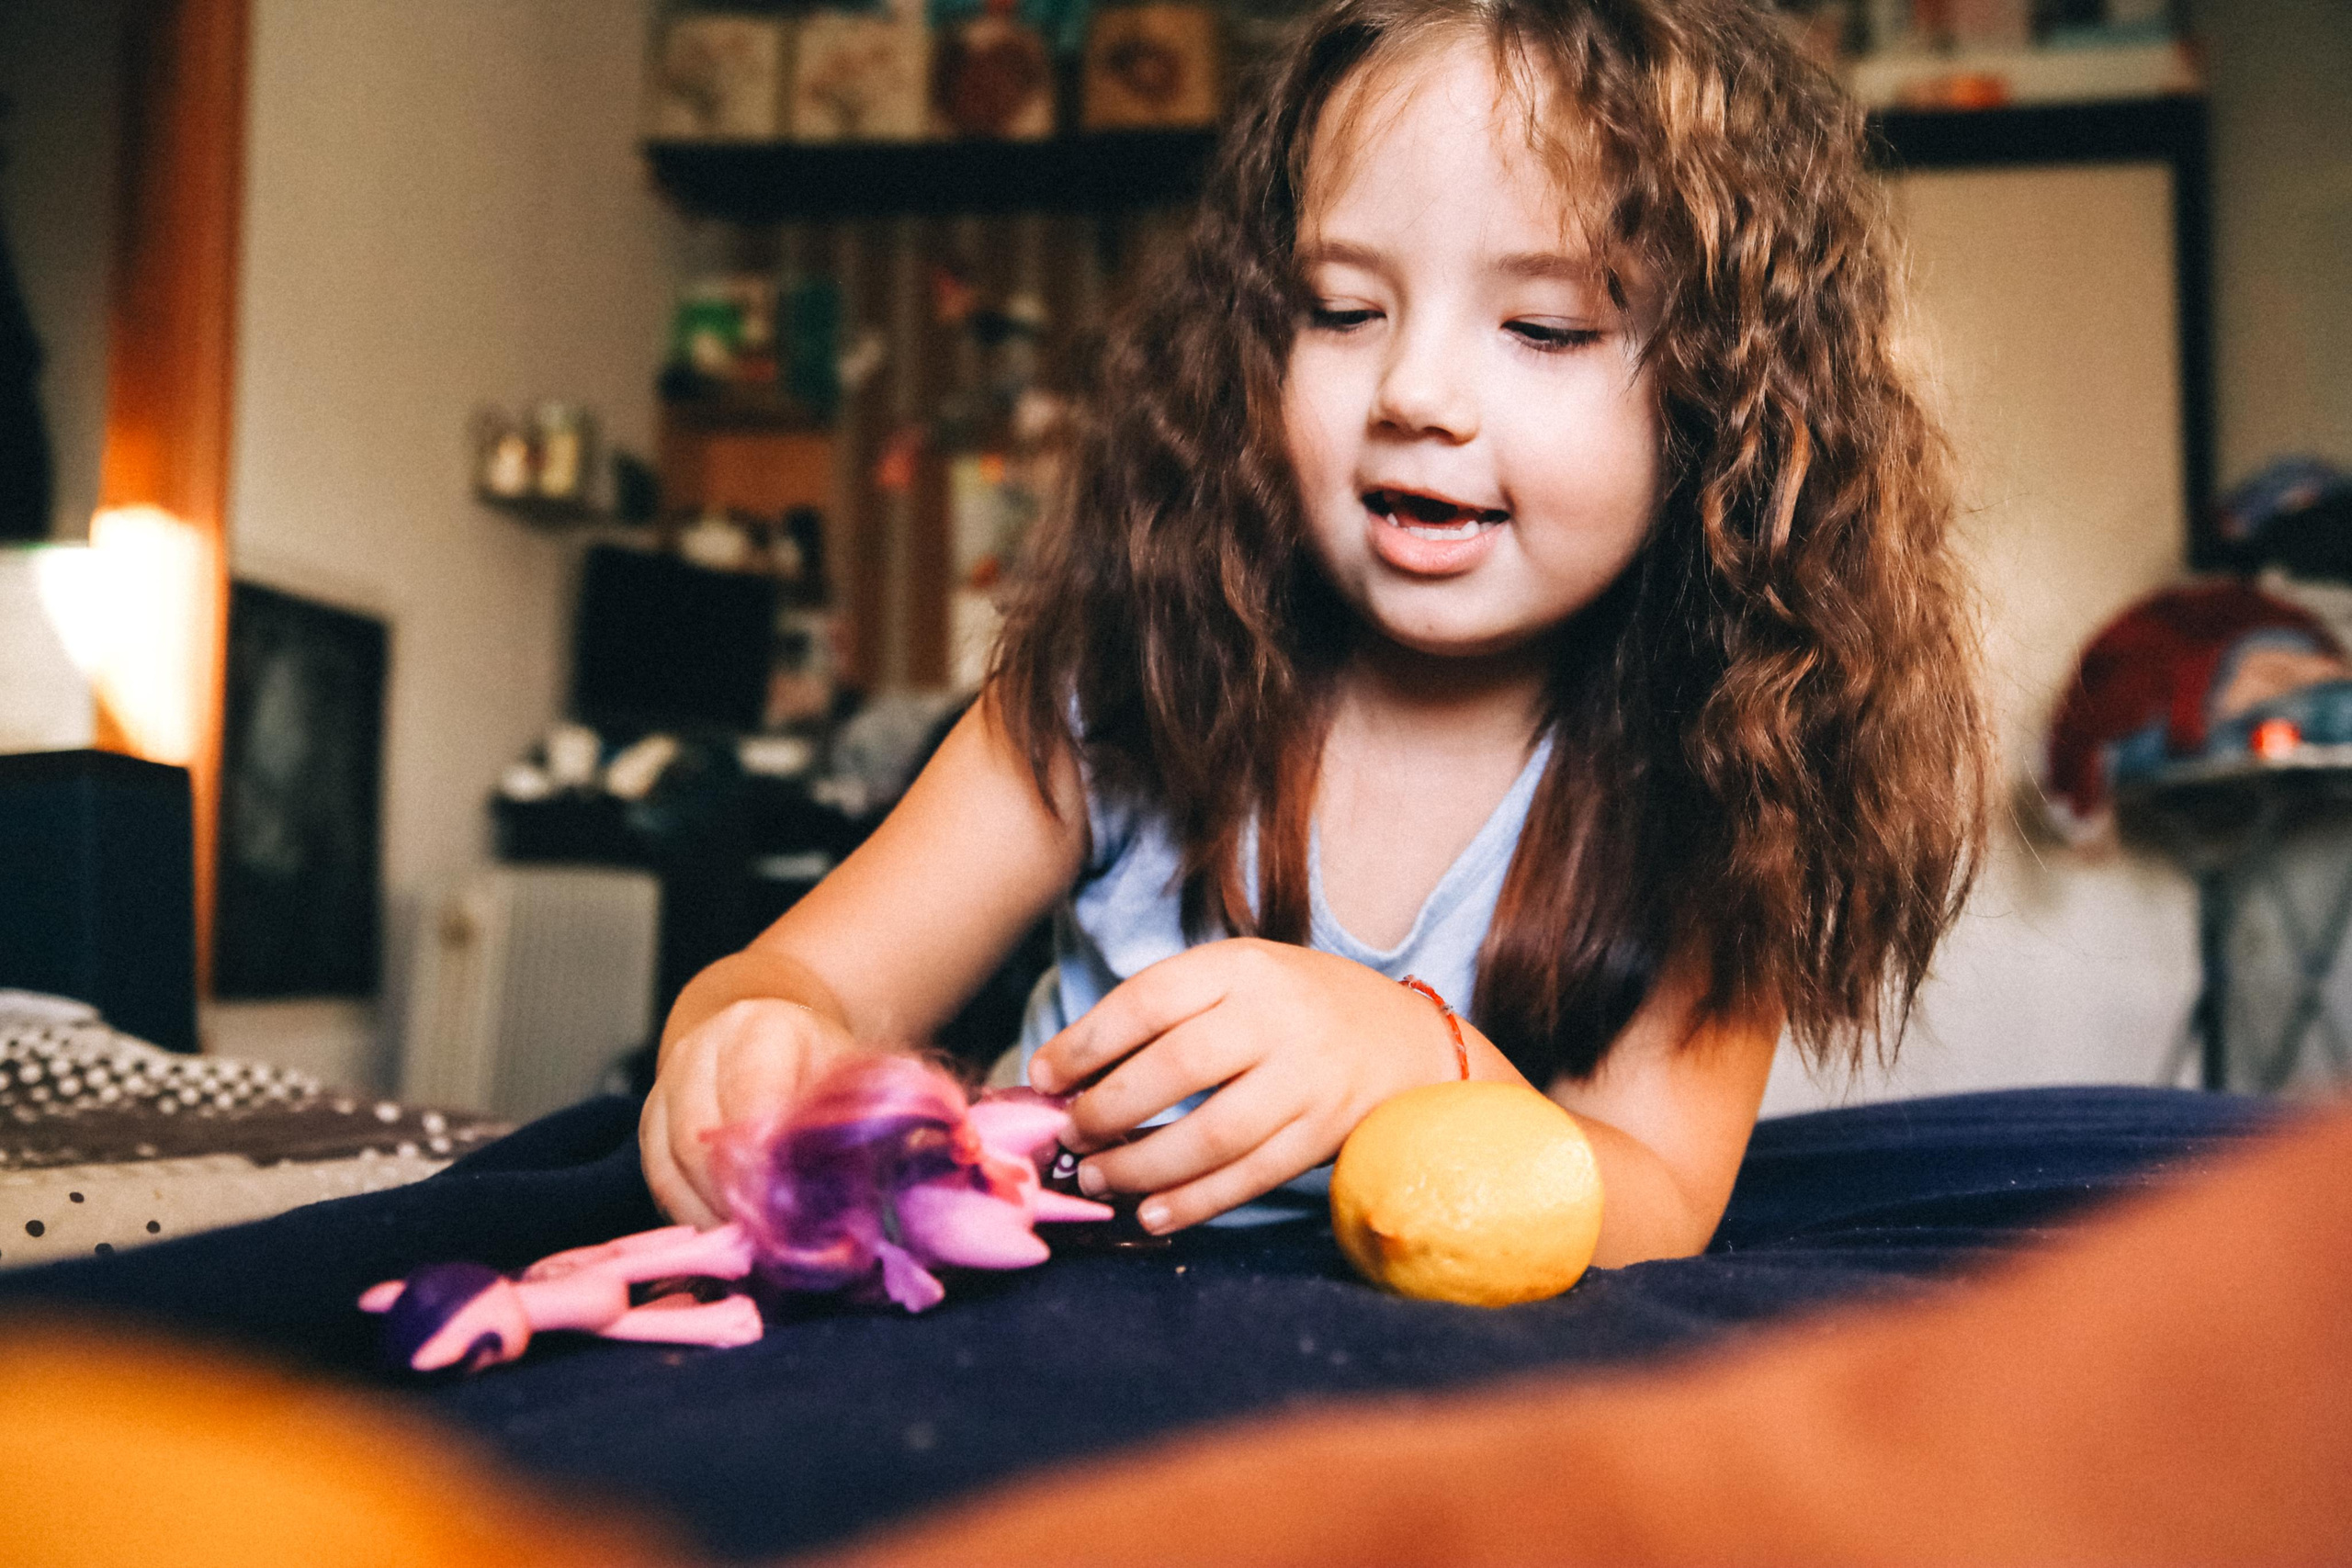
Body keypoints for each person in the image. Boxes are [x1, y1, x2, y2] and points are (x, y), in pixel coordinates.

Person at [642, 0, 1988, 1267]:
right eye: (1343, 309)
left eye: (1545, 324)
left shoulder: (1725, 774)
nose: (1413, 390)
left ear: (1723, 408)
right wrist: (747, 1037)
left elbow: (1661, 1199)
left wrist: (1419, 1060)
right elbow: (802, 976)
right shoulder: (1119, 682)